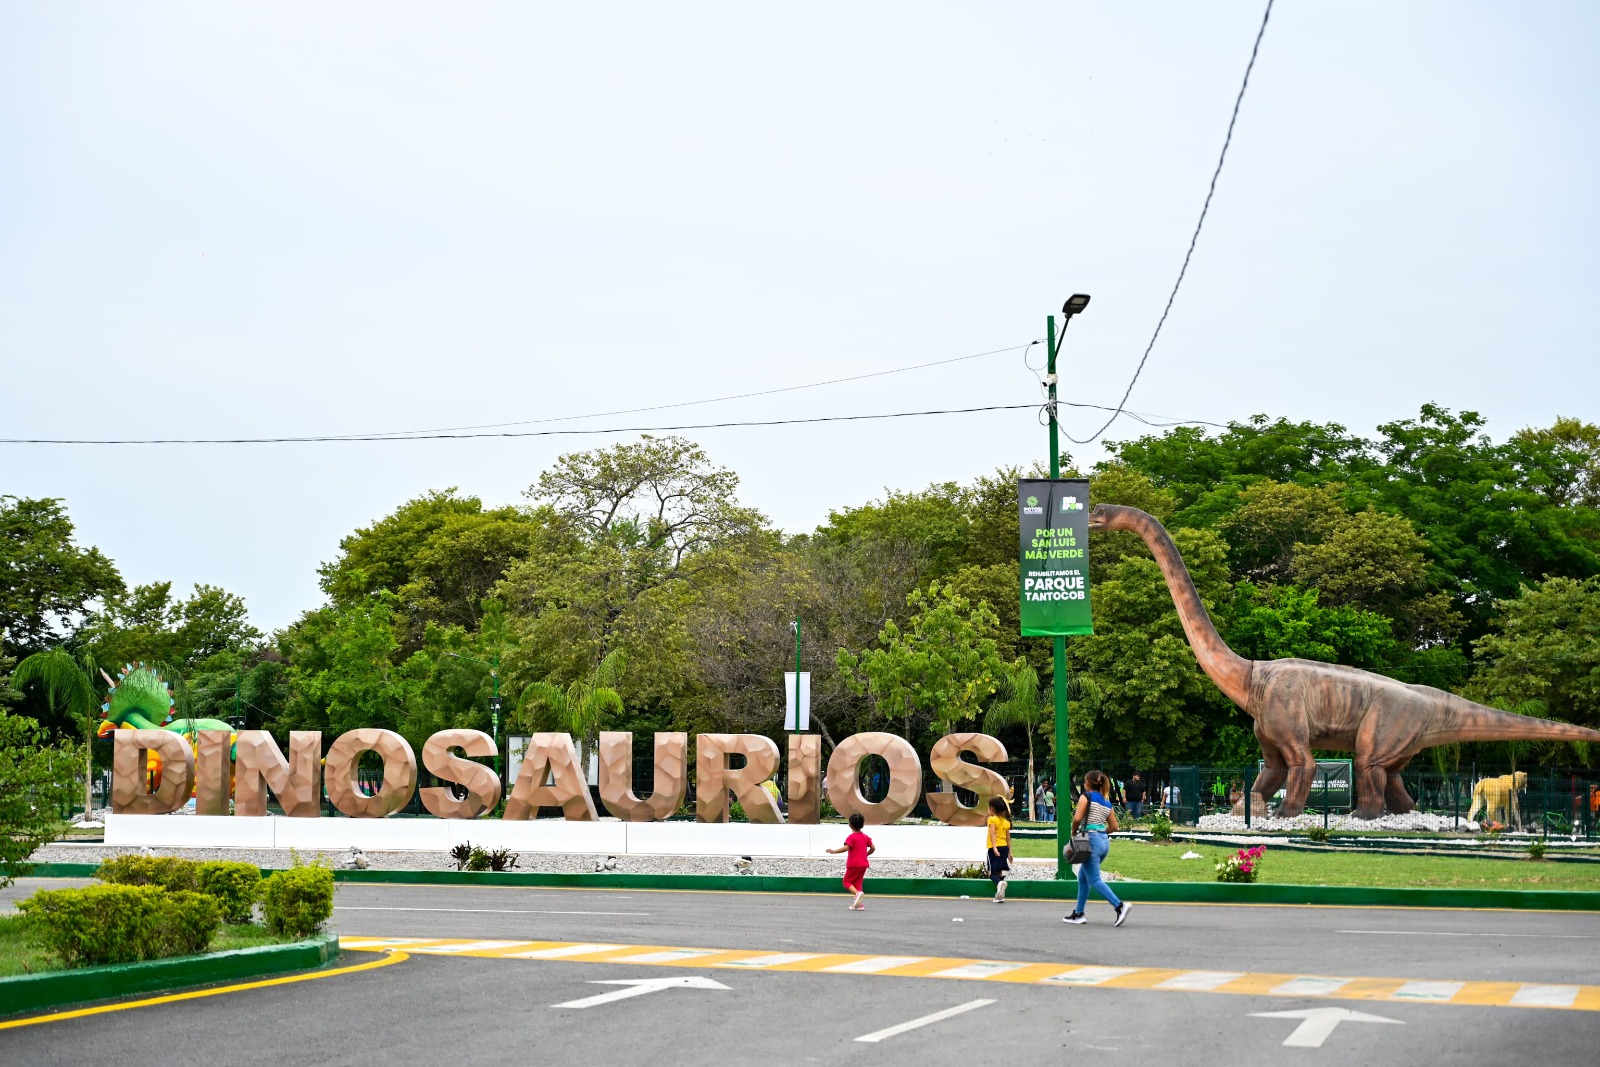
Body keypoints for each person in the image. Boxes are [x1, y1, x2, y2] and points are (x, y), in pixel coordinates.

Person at [1064, 769, 1131, 927]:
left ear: (1087, 784)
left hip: (1091, 841)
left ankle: (1119, 906)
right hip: (1103, 842)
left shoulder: (1085, 797)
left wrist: (1074, 832)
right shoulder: (1106, 802)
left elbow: (1077, 818)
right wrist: (1101, 832)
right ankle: (1078, 913)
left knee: (1094, 880)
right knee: (1083, 877)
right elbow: (1114, 827)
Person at [826, 812, 875, 910]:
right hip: (864, 865)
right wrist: (866, 854)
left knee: (846, 882)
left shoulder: (851, 837)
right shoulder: (865, 837)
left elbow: (845, 848)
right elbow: (873, 848)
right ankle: (859, 904)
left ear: (850, 825)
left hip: (853, 864)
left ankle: (857, 894)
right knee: (857, 883)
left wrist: (833, 851)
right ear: (862, 824)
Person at [986, 796, 1013, 903]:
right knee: (999, 872)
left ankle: (999, 884)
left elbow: (992, 834)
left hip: (994, 848)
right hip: (1004, 848)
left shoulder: (992, 819)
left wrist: (994, 847)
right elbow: (1008, 839)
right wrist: (1010, 852)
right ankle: (999, 896)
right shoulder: (1006, 822)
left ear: (992, 809)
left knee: (992, 873)